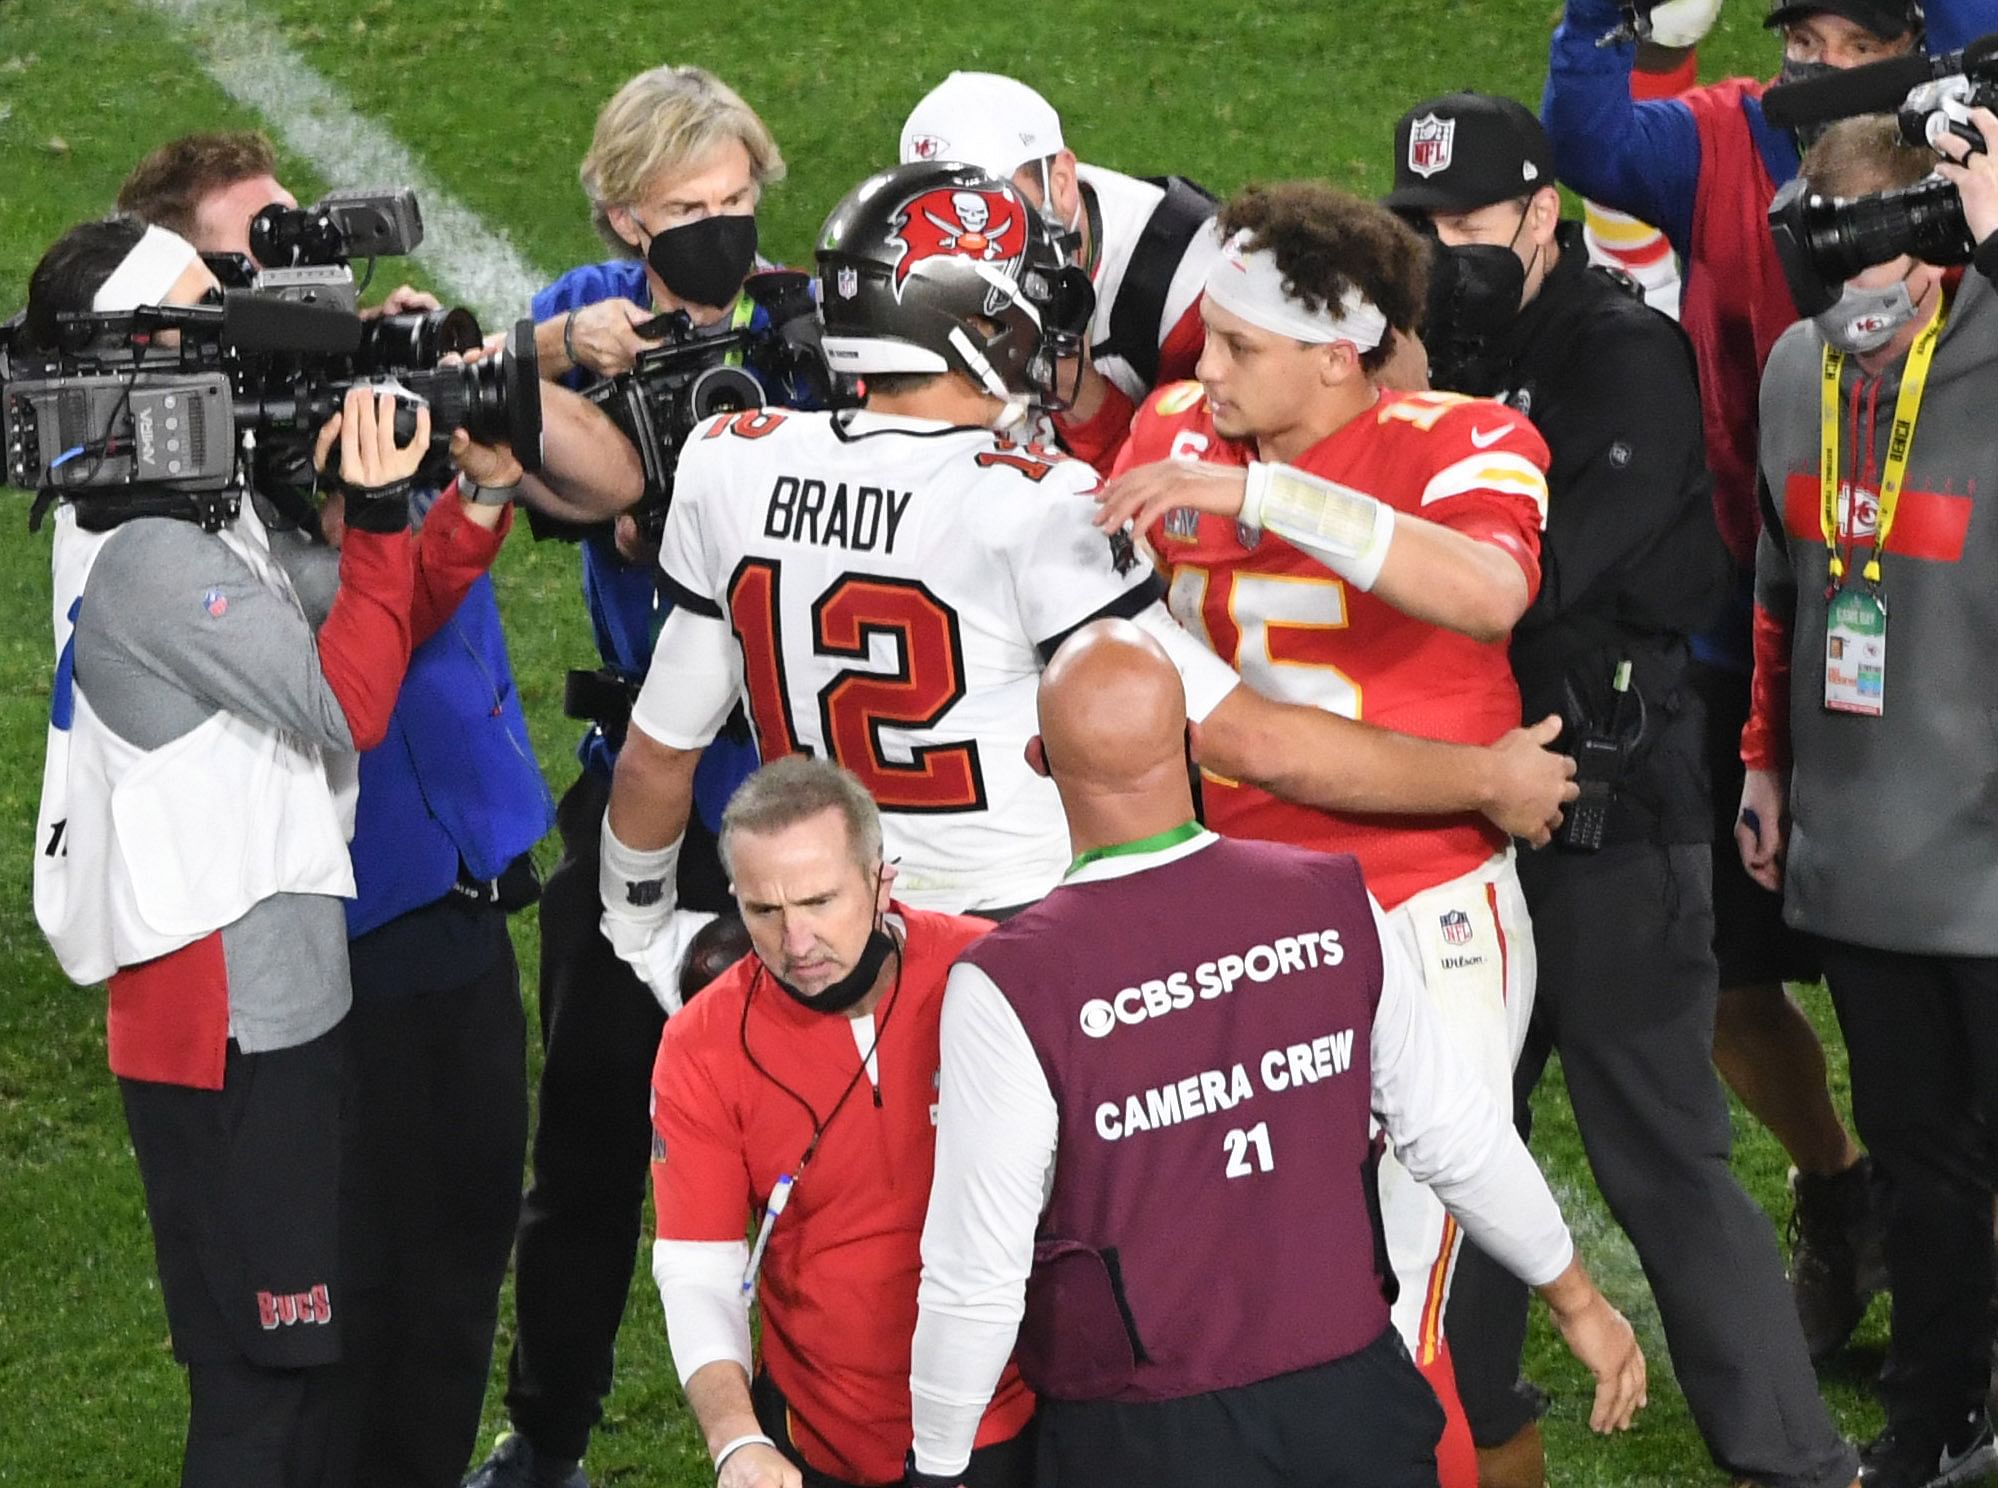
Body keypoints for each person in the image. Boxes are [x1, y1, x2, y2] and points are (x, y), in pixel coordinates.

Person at [603, 160, 1579, 1006]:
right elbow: (1249, 739)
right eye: (1033, 297)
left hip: (836, 948)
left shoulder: (733, 458)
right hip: (1031, 951)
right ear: (982, 322)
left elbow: (655, 758)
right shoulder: (1047, 504)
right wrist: (1486, 778)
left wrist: (639, 929)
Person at [1384, 92, 1858, 1488]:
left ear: (1541, 214)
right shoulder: (1414, 357)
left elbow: (1520, 589)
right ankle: (1468, 1436)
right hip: (1456, 812)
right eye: (1414, 228)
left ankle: (1792, 1459)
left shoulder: (1618, 353)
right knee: (1446, 1142)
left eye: (1464, 224)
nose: (1439, 251)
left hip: (1609, 808)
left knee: (1655, 1150)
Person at [905, 618, 1645, 1488]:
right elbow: (1461, 1138)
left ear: (1038, 760)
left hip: (1142, 1437)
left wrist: (942, 1466)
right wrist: (1580, 1302)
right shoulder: (1334, 902)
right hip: (1351, 1413)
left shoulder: (1010, 982)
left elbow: (975, 1274)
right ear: (1189, 746)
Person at [1542, 0, 1998, 1357]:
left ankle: (1957, 1289)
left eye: (1857, 39)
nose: (1821, 63)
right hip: (1765, 615)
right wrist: (1603, 17)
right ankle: (1837, 1186)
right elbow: (1590, 130)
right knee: (1723, 975)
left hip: (1949, 648)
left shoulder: (1970, 166)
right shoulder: (1731, 140)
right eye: (1800, 31)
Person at [23, 217, 507, 1487]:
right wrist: (385, 507)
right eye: (200, 313)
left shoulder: (172, 503)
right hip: (228, 1019)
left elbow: (369, 613)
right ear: (127, 361)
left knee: (303, 1377)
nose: (232, 337)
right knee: (260, 1394)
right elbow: (346, 698)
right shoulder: (149, 559)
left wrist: (476, 498)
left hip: (269, 999)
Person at [1092, 180, 1554, 1487]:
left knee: (1397, 1307)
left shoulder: (1464, 438)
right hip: (1226, 915)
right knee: (1230, 1289)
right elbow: (1220, 718)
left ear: (1335, 354)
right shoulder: (1180, 423)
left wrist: (1270, 499)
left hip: (1418, 913)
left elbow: (1485, 590)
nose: (1203, 364)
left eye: (1241, 344)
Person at [118, 131, 556, 1488]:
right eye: (251, 265)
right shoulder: (175, 490)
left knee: (453, 1283)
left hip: (460, 903)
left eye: (301, 244)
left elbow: (407, 597)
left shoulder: (341, 392)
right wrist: (361, 487)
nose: (295, 283)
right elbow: (336, 694)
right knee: (327, 1334)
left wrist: (465, 476)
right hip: (316, 958)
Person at [468, 65, 808, 1488]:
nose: (721, 231)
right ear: (624, 212)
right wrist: (556, 344)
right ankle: (545, 1435)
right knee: (595, 1138)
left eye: (737, 201)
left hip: (794, 802)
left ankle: (809, 1432)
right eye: (688, 209)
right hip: (641, 795)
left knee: (814, 1151)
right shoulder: (585, 307)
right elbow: (464, 379)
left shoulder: (808, 319)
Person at [1741, 112, 1998, 1488]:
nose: (1853, 324)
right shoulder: (1795, 367)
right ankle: (1933, 1417)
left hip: (1988, 844)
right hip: (1864, 853)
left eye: (1879, 286)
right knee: (1918, 1167)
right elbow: (1784, 579)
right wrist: (1761, 763)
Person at [648, 756, 1032, 1488]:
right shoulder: (701, 1045)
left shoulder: (995, 973)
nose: (797, 944)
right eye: (764, 911)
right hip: (824, 1441)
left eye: (820, 902)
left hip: (1020, 1417)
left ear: (881, 879)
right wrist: (738, 1443)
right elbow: (699, 1268)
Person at [897, 70, 1221, 471]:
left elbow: (1193, 503)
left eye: (993, 209)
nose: (966, 240)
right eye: (935, 213)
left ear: (1062, 183)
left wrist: (1071, 381)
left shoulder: (1192, 280)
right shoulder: (901, 264)